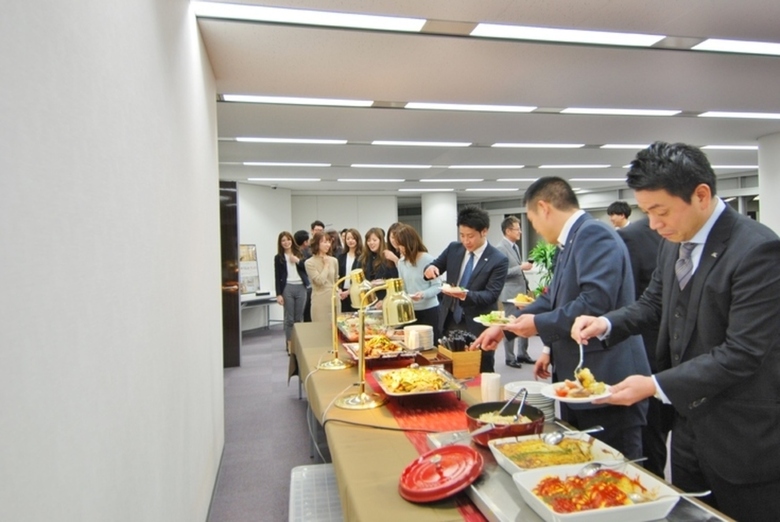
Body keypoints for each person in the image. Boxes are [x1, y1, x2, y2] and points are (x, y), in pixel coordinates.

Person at [572, 142, 780, 521]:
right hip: (686, 427)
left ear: (701, 194)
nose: (653, 224)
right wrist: (607, 322)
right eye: (647, 211)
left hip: (742, 434)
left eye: (661, 211)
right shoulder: (675, 243)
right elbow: (654, 304)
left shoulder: (758, 250)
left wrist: (654, 384)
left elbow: (743, 352)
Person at [473, 177, 650, 459]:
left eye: (531, 221)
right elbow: (550, 299)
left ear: (544, 208)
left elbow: (594, 302)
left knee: (611, 470)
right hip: (579, 380)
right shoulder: (570, 242)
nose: (535, 229)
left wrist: (538, 326)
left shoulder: (594, 235)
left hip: (606, 381)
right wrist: (506, 327)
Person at [617, 216, 673, 478]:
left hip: (710, 374)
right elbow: (642, 301)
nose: (654, 222)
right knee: (655, 438)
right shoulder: (634, 236)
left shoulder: (753, 244)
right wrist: (606, 324)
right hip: (650, 357)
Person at [424, 206, 507, 373]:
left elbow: (491, 295)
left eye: (470, 236)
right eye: (462, 235)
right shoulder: (454, 249)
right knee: (448, 369)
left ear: (484, 232)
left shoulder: (498, 259)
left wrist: (464, 295)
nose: (466, 241)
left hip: (477, 325)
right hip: (449, 321)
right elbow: (435, 266)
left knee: (479, 370)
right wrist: (429, 269)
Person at [494, 216, 535, 368]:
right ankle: (510, 358)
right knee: (510, 325)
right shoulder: (500, 248)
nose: (520, 232)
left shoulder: (515, 247)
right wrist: (521, 268)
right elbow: (501, 273)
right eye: (517, 229)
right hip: (509, 294)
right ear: (508, 230)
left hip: (521, 293)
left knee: (524, 322)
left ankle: (522, 354)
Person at [393, 224, 442, 342]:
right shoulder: (401, 262)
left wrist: (423, 294)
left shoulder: (428, 259)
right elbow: (402, 286)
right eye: (398, 245)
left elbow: (437, 286)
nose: (400, 249)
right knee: (412, 345)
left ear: (410, 243)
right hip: (411, 312)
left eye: (401, 245)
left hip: (429, 310)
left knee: (430, 345)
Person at [274, 231, 309, 352]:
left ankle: (298, 344)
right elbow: (277, 276)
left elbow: (308, 267)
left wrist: (298, 261)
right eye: (283, 240)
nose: (286, 242)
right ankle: (290, 345)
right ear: (280, 243)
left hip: (301, 287)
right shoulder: (278, 257)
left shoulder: (301, 253)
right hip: (287, 288)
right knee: (289, 319)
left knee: (298, 318)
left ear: (292, 240)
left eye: (288, 239)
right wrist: (278, 294)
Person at [304, 231, 339, 323]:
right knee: (320, 329)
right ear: (316, 243)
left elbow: (336, 280)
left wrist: (338, 291)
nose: (327, 245)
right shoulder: (309, 263)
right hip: (319, 300)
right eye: (324, 242)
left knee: (336, 329)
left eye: (329, 242)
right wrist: (326, 266)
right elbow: (320, 281)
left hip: (334, 299)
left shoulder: (334, 260)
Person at [360, 227, 399, 303]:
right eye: (368, 240)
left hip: (386, 298)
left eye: (374, 240)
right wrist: (369, 284)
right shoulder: (364, 258)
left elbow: (396, 277)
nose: (371, 243)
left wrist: (384, 282)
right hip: (369, 298)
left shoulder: (388, 255)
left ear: (381, 241)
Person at [337, 228, 362, 312]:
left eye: (353, 238)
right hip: (343, 293)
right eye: (348, 238)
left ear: (358, 239)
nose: (350, 241)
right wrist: (339, 289)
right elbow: (339, 275)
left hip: (357, 291)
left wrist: (349, 291)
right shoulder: (341, 257)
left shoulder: (362, 257)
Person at [294, 230, 313, 322]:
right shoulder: (302, 252)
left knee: (305, 312)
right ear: (305, 242)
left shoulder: (307, 252)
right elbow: (306, 266)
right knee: (302, 311)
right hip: (303, 284)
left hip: (305, 284)